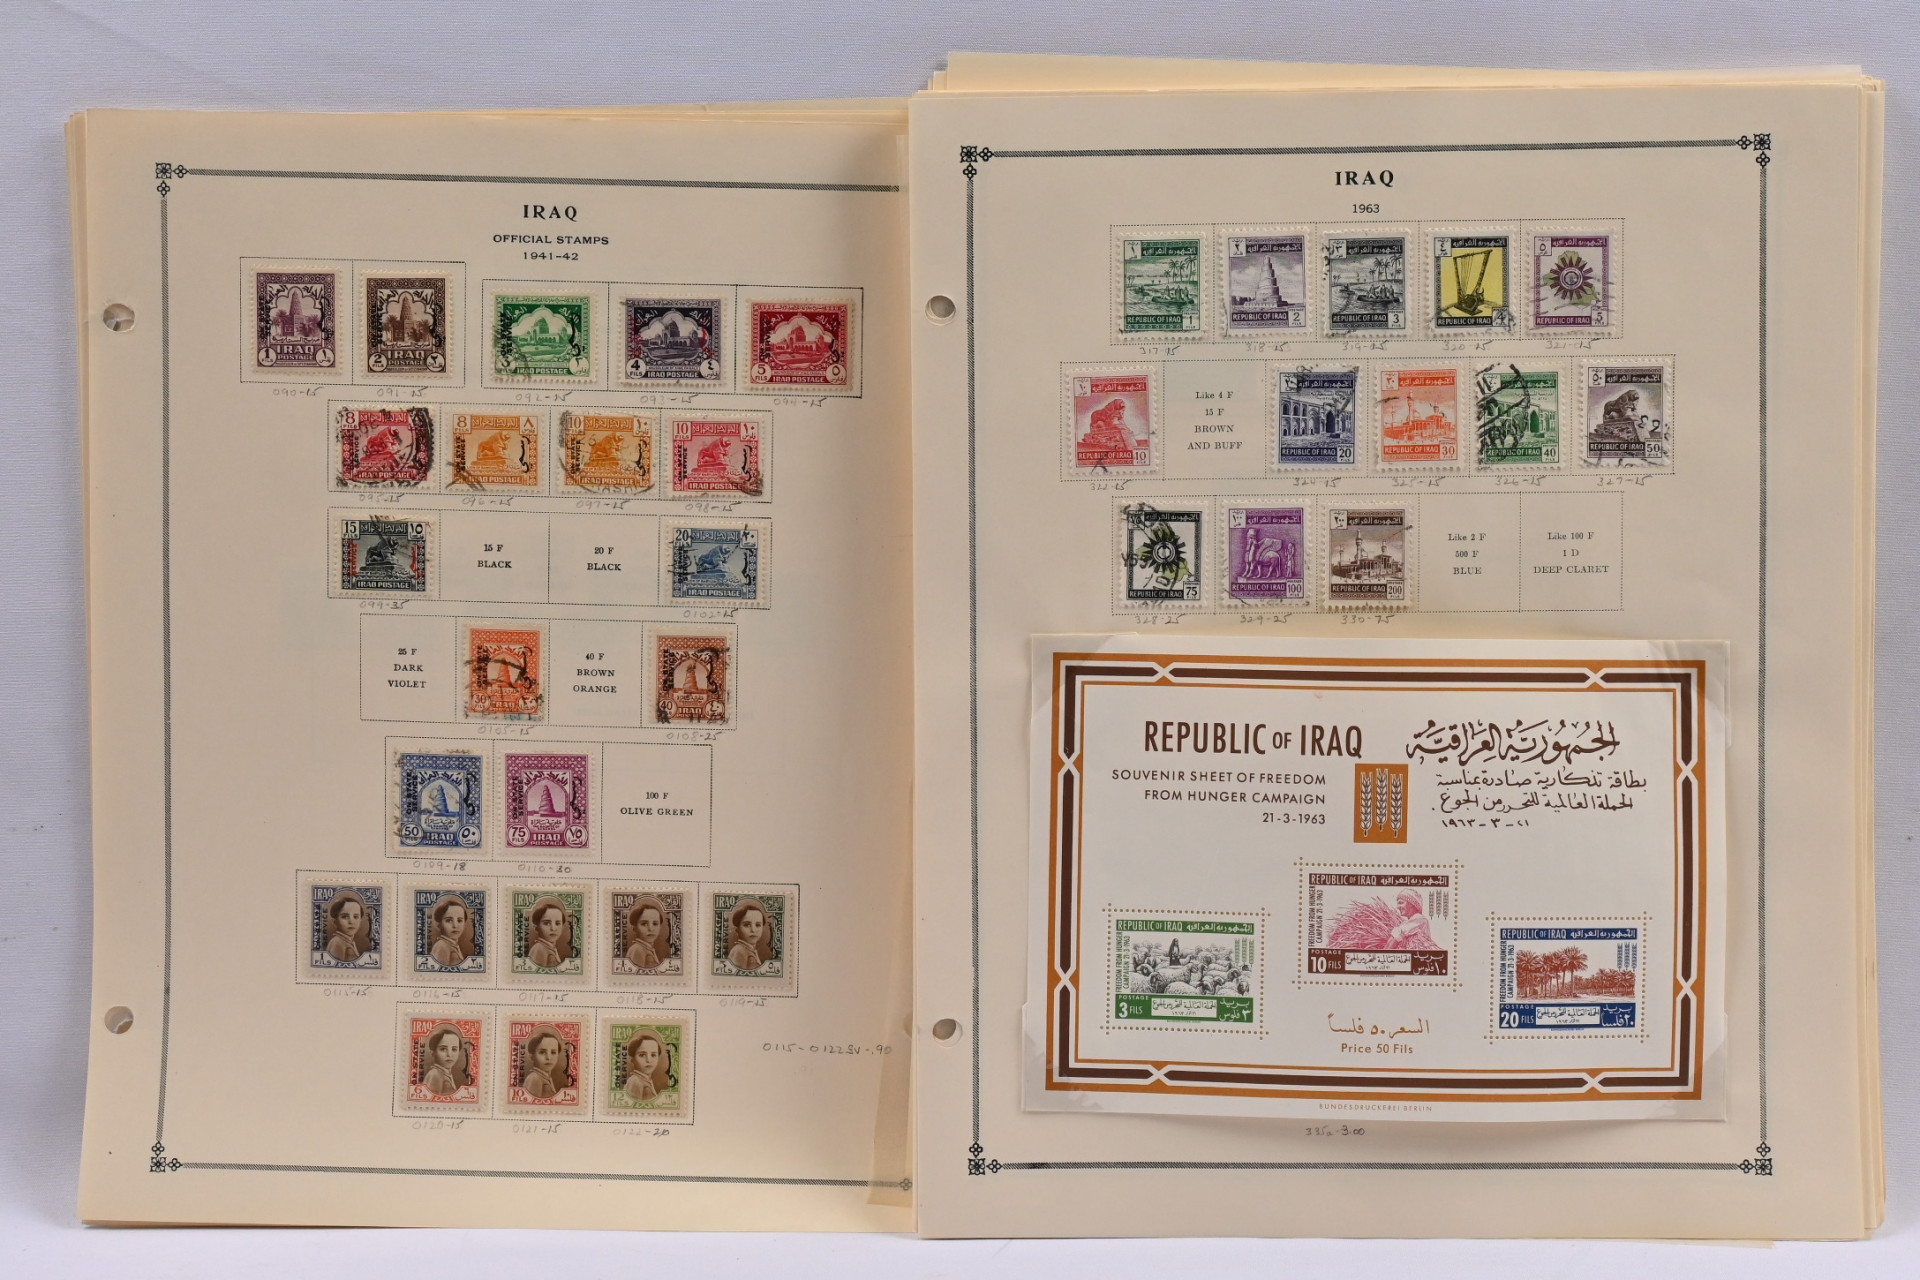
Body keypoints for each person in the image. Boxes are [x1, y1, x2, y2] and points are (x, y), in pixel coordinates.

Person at [519, 1028, 571, 1100]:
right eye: (542, 1052)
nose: (548, 1058)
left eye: (553, 1052)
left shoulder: (545, 1077)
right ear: (532, 1056)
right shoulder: (534, 1078)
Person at [725, 899, 774, 972]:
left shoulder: (750, 950)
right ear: (737, 929)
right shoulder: (739, 951)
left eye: (758, 925)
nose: (753, 930)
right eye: (747, 925)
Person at [421, 1024, 469, 1097]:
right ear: (433, 1052)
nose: (449, 1054)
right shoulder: (434, 1075)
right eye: (443, 1049)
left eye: (454, 1049)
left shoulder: (446, 1074)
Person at [324, 890, 371, 963]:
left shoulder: (349, 941)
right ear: (335, 921)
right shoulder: (336, 942)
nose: (351, 922)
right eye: (345, 917)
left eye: (355, 917)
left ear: (360, 920)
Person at [524, 897, 573, 969]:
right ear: (536, 928)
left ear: (562, 927)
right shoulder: (539, 949)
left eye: (557, 923)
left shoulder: (551, 948)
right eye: (546, 923)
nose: (553, 928)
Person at [623, 1030, 670, 1102]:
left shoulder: (646, 1080)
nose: (648, 1060)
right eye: (642, 1055)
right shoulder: (635, 1082)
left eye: (653, 1055)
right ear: (632, 1059)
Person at [624, 897, 670, 971]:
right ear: (634, 928)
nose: (651, 929)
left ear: (660, 927)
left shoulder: (648, 949)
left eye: (655, 924)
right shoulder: (637, 950)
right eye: (644, 924)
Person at [428, 895, 472, 968]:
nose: (455, 925)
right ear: (439, 924)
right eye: (448, 920)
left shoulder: (454, 945)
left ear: (464, 923)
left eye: (459, 920)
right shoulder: (441, 946)